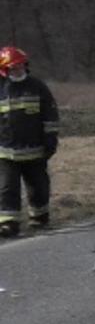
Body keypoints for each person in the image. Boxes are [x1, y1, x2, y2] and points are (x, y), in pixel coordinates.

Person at [0, 46, 58, 239]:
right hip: (6, 152)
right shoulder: (1, 89)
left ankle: (39, 218)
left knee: (38, 186)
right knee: (8, 188)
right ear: (5, 69)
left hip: (35, 151)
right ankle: (9, 224)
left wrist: (50, 140)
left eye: (20, 66)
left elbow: (50, 115)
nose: (18, 70)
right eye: (13, 67)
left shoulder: (38, 87)